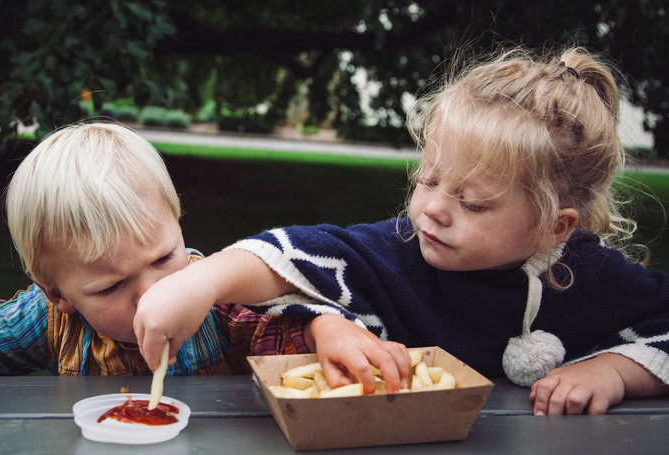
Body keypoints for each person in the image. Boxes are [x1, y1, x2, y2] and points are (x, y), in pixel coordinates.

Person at [133, 46, 669, 415]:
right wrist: (198, 284)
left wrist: (617, 372)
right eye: (428, 179)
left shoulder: (592, 275)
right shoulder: (396, 252)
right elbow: (288, 253)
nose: (432, 210)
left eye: (473, 203)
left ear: (554, 227)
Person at [0, 122, 313, 415]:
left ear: (178, 226)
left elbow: (282, 333)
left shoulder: (216, 300)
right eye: (110, 287)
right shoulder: (49, 320)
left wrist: (320, 331)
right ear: (59, 295)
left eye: (163, 259)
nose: (153, 294)